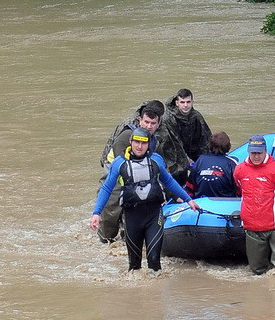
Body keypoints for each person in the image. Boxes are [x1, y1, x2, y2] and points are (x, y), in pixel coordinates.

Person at [90, 126, 198, 271]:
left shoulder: (156, 160)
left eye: (143, 143)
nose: (139, 146)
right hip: (132, 216)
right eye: (137, 142)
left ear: (149, 144)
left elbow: (169, 181)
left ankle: (156, 285)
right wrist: (96, 213)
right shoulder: (119, 163)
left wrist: (188, 200)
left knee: (154, 261)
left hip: (154, 215)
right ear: (130, 142)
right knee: (134, 266)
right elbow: (107, 188)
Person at [97, 100, 190, 243]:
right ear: (140, 120)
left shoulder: (155, 141)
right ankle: (105, 238)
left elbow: (161, 173)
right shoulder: (126, 136)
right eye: (146, 122)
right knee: (112, 207)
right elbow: (121, 167)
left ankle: (128, 237)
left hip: (139, 170)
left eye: (153, 123)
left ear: (158, 124)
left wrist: (175, 195)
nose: (149, 126)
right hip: (117, 170)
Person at [233, 134, 275, 275]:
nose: (256, 156)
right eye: (253, 153)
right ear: (248, 151)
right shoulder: (239, 170)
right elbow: (240, 189)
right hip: (252, 226)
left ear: (265, 151)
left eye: (259, 153)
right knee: (256, 270)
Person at [161, 88, 212, 161]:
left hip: (192, 152)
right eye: (182, 102)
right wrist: (187, 159)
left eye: (188, 102)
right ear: (177, 103)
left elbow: (206, 138)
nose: (185, 105)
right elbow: (174, 143)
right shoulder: (168, 118)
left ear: (192, 102)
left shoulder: (196, 116)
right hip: (173, 155)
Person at [186, 131, 238, 198]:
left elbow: (190, 187)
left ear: (209, 145)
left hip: (201, 200)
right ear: (228, 147)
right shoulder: (231, 163)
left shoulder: (200, 160)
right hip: (225, 201)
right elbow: (238, 188)